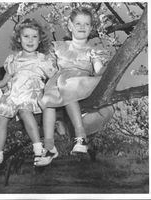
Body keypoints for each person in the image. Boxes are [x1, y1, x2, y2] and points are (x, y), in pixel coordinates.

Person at [36, 7, 112, 166]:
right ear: (70, 25)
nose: (82, 27)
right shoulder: (58, 46)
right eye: (78, 23)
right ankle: (49, 146)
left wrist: (110, 66)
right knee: (48, 100)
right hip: (60, 79)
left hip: (81, 81)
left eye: (86, 24)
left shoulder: (92, 50)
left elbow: (99, 70)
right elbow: (49, 68)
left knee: (69, 86)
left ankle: (81, 136)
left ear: (91, 28)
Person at [0, 18, 57, 180]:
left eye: (34, 37)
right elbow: (5, 80)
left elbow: (54, 79)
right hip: (13, 94)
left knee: (25, 111)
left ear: (40, 39)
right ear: (19, 38)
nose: (30, 40)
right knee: (1, 118)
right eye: (26, 36)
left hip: (31, 92)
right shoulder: (13, 59)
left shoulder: (42, 59)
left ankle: (38, 150)